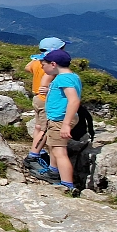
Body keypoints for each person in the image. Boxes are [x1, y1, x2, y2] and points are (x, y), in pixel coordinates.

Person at [40, 48, 82, 190]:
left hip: (60, 120)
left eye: (43, 64)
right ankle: (53, 170)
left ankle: (67, 185)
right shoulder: (72, 76)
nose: (42, 67)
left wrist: (65, 125)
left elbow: (74, 100)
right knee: (53, 146)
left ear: (53, 64)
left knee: (60, 152)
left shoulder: (64, 79)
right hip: (58, 118)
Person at [23, 37, 64, 174]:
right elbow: (46, 84)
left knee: (38, 127)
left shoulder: (38, 62)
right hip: (45, 100)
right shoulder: (53, 66)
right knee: (45, 130)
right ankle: (33, 156)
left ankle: (37, 151)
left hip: (36, 99)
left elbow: (27, 67)